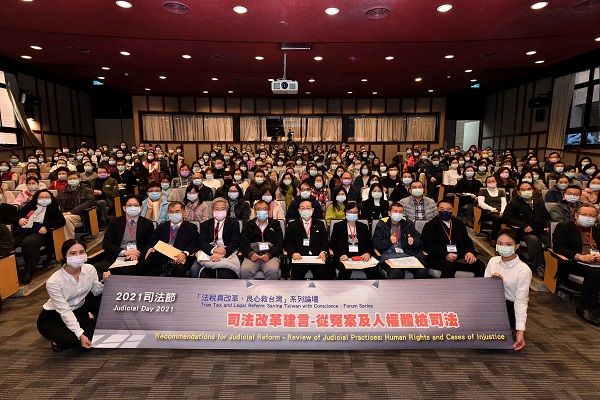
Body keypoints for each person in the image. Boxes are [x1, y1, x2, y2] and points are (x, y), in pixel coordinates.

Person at [37, 239, 109, 351]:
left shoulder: (90, 269)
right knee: (70, 341)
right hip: (54, 316)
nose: (78, 256)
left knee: (91, 340)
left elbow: (95, 291)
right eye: (73, 253)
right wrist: (80, 334)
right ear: (64, 256)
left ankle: (87, 319)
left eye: (81, 252)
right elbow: (64, 311)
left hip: (79, 311)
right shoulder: (54, 282)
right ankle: (57, 338)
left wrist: (104, 282)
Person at [552, 204, 600, 326]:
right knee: (596, 272)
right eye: (584, 215)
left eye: (591, 216)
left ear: (596, 218)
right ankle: (584, 307)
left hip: (596, 261)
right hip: (574, 262)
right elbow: (558, 247)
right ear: (576, 215)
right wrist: (580, 256)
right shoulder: (564, 227)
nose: (587, 217)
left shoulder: (597, 230)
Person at [485, 229, 532, 350]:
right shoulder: (493, 261)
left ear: (516, 246)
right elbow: (484, 289)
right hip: (491, 302)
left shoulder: (523, 270)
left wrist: (520, 332)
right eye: (500, 243)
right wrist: (492, 282)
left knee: (493, 343)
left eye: (508, 244)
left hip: (509, 305)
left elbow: (521, 301)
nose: (503, 247)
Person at [131, 202, 199, 277]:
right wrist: (151, 249)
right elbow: (152, 242)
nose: (174, 214)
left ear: (183, 212)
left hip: (179, 256)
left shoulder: (191, 227)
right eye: (171, 212)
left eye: (177, 212)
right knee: (144, 266)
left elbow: (194, 244)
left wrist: (185, 253)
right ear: (168, 213)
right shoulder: (162, 226)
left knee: (179, 269)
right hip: (161, 256)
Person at [422, 199, 486, 278]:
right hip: (439, 257)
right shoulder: (430, 226)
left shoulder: (459, 224)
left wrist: (469, 252)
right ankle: (445, 286)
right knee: (449, 267)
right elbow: (428, 246)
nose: (445, 211)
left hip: (459, 257)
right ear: (437, 211)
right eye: (442, 209)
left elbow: (467, 240)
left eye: (448, 209)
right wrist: (446, 255)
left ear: (452, 210)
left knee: (480, 265)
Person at [11, 190, 64, 283]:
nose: (44, 199)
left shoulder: (53, 209)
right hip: (22, 231)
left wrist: (46, 226)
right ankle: (12, 272)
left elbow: (61, 221)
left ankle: (29, 271)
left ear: (51, 199)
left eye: (46, 197)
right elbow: (12, 217)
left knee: (28, 242)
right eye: (41, 197)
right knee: (8, 243)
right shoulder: (30, 207)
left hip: (39, 234)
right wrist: (19, 219)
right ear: (36, 199)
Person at [94, 195, 155, 275]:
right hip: (117, 256)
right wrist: (124, 252)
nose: (132, 207)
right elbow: (106, 244)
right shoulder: (114, 222)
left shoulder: (147, 223)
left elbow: (150, 244)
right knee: (93, 269)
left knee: (128, 270)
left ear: (140, 208)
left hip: (137, 258)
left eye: (136, 205)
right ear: (124, 208)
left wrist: (137, 253)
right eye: (129, 205)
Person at [503, 181, 550, 277]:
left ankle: (551, 266)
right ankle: (539, 266)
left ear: (532, 190)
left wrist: (547, 225)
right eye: (523, 190)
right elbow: (507, 218)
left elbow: (547, 217)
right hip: (522, 232)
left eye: (529, 189)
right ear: (518, 192)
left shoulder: (539, 203)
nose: (526, 191)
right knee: (533, 240)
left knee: (551, 240)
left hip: (539, 230)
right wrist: (523, 225)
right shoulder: (514, 204)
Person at [372, 203, 428, 279]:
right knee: (396, 272)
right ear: (389, 213)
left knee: (422, 271)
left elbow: (421, 241)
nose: (398, 214)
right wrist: (389, 241)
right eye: (395, 211)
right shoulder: (382, 225)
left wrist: (413, 241)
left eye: (400, 212)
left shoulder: (408, 224)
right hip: (389, 257)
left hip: (406, 256)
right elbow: (375, 243)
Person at [191, 197, 241, 279]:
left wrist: (223, 252)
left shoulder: (233, 223)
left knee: (225, 272)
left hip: (227, 252)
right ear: (212, 210)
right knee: (194, 268)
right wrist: (214, 250)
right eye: (217, 209)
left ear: (227, 210)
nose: (219, 211)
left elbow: (235, 241)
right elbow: (201, 242)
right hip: (209, 252)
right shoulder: (205, 224)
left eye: (222, 209)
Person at [329, 201, 377, 280]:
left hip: (361, 257)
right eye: (350, 212)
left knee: (374, 270)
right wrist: (340, 255)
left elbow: (370, 244)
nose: (352, 214)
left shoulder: (363, 226)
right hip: (345, 256)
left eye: (355, 212)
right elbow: (333, 244)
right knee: (344, 271)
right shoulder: (338, 226)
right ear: (345, 213)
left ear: (358, 213)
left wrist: (368, 253)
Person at [284, 199, 329, 280]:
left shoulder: (320, 224)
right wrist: (293, 253)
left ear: (312, 210)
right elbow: (287, 243)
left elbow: (325, 241)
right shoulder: (292, 225)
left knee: (322, 273)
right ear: (299, 210)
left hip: (317, 258)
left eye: (308, 208)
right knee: (297, 273)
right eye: (302, 208)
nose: (305, 210)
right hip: (299, 258)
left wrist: (323, 252)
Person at [239, 200, 284, 280]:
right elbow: (243, 243)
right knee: (245, 271)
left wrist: (269, 255)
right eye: (259, 209)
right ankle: (250, 289)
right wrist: (251, 254)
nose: (262, 211)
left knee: (272, 270)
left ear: (268, 211)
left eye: (264, 209)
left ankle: (269, 289)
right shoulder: (248, 225)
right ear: (255, 212)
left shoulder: (275, 224)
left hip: (270, 255)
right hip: (252, 256)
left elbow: (279, 243)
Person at [56, 171, 95, 240]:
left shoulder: (87, 190)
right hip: (64, 213)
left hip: (79, 214)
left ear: (79, 179)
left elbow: (90, 202)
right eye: (70, 179)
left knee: (66, 219)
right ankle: (57, 241)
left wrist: (71, 212)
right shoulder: (62, 191)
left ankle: (69, 241)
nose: (72, 180)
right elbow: (56, 202)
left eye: (74, 178)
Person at [477, 176, 507, 243]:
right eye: (489, 182)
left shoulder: (501, 192)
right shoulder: (483, 191)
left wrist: (502, 212)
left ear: (496, 182)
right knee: (498, 218)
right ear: (486, 183)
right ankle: (494, 238)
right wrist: (492, 209)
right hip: (487, 212)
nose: (491, 183)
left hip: (499, 212)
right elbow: (481, 203)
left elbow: (504, 203)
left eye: (493, 181)